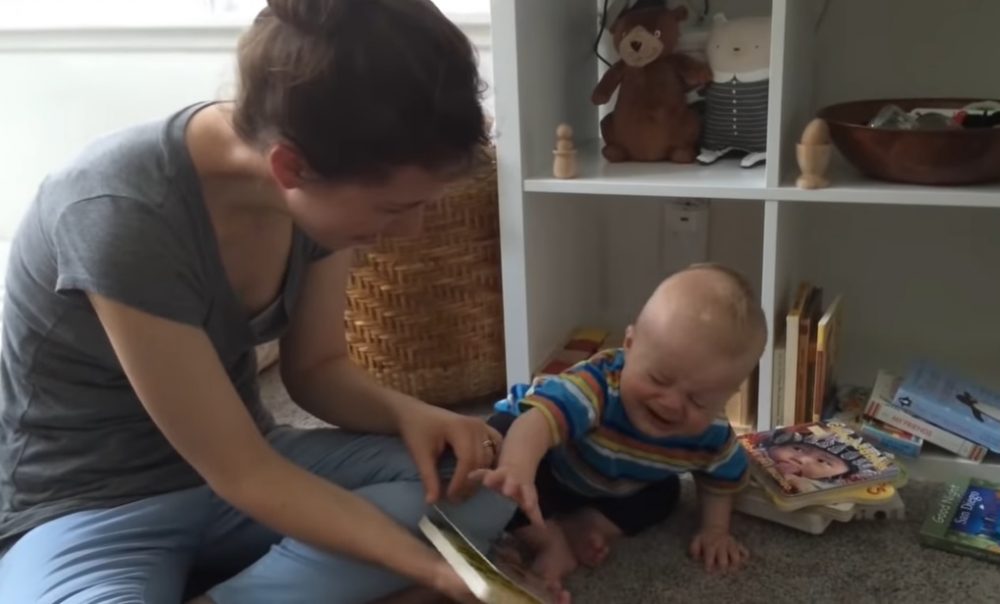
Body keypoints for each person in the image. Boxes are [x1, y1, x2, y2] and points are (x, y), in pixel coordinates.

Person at [0, 1, 516, 602]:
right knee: (433, 549)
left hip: (251, 465)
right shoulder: (121, 213)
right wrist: (427, 569)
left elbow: (317, 372)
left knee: (483, 485)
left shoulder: (316, 198)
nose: (411, 232)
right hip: (91, 505)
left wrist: (412, 414)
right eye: (394, 209)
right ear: (290, 166)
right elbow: (242, 472)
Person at [472, 264, 767, 590]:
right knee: (496, 444)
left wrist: (715, 529)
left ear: (726, 396)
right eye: (659, 379)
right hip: (550, 461)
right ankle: (548, 541)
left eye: (697, 400)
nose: (670, 403)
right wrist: (516, 468)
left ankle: (586, 524)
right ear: (629, 345)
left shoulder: (710, 432)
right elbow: (537, 423)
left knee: (665, 494)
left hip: (617, 484)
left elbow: (721, 479)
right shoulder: (597, 386)